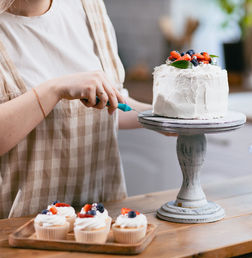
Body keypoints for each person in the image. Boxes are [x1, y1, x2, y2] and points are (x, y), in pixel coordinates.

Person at [0, 0, 153, 218]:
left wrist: (158, 117)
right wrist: (54, 90)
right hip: (22, 233)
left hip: (101, 220)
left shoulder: (89, 8)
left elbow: (110, 106)